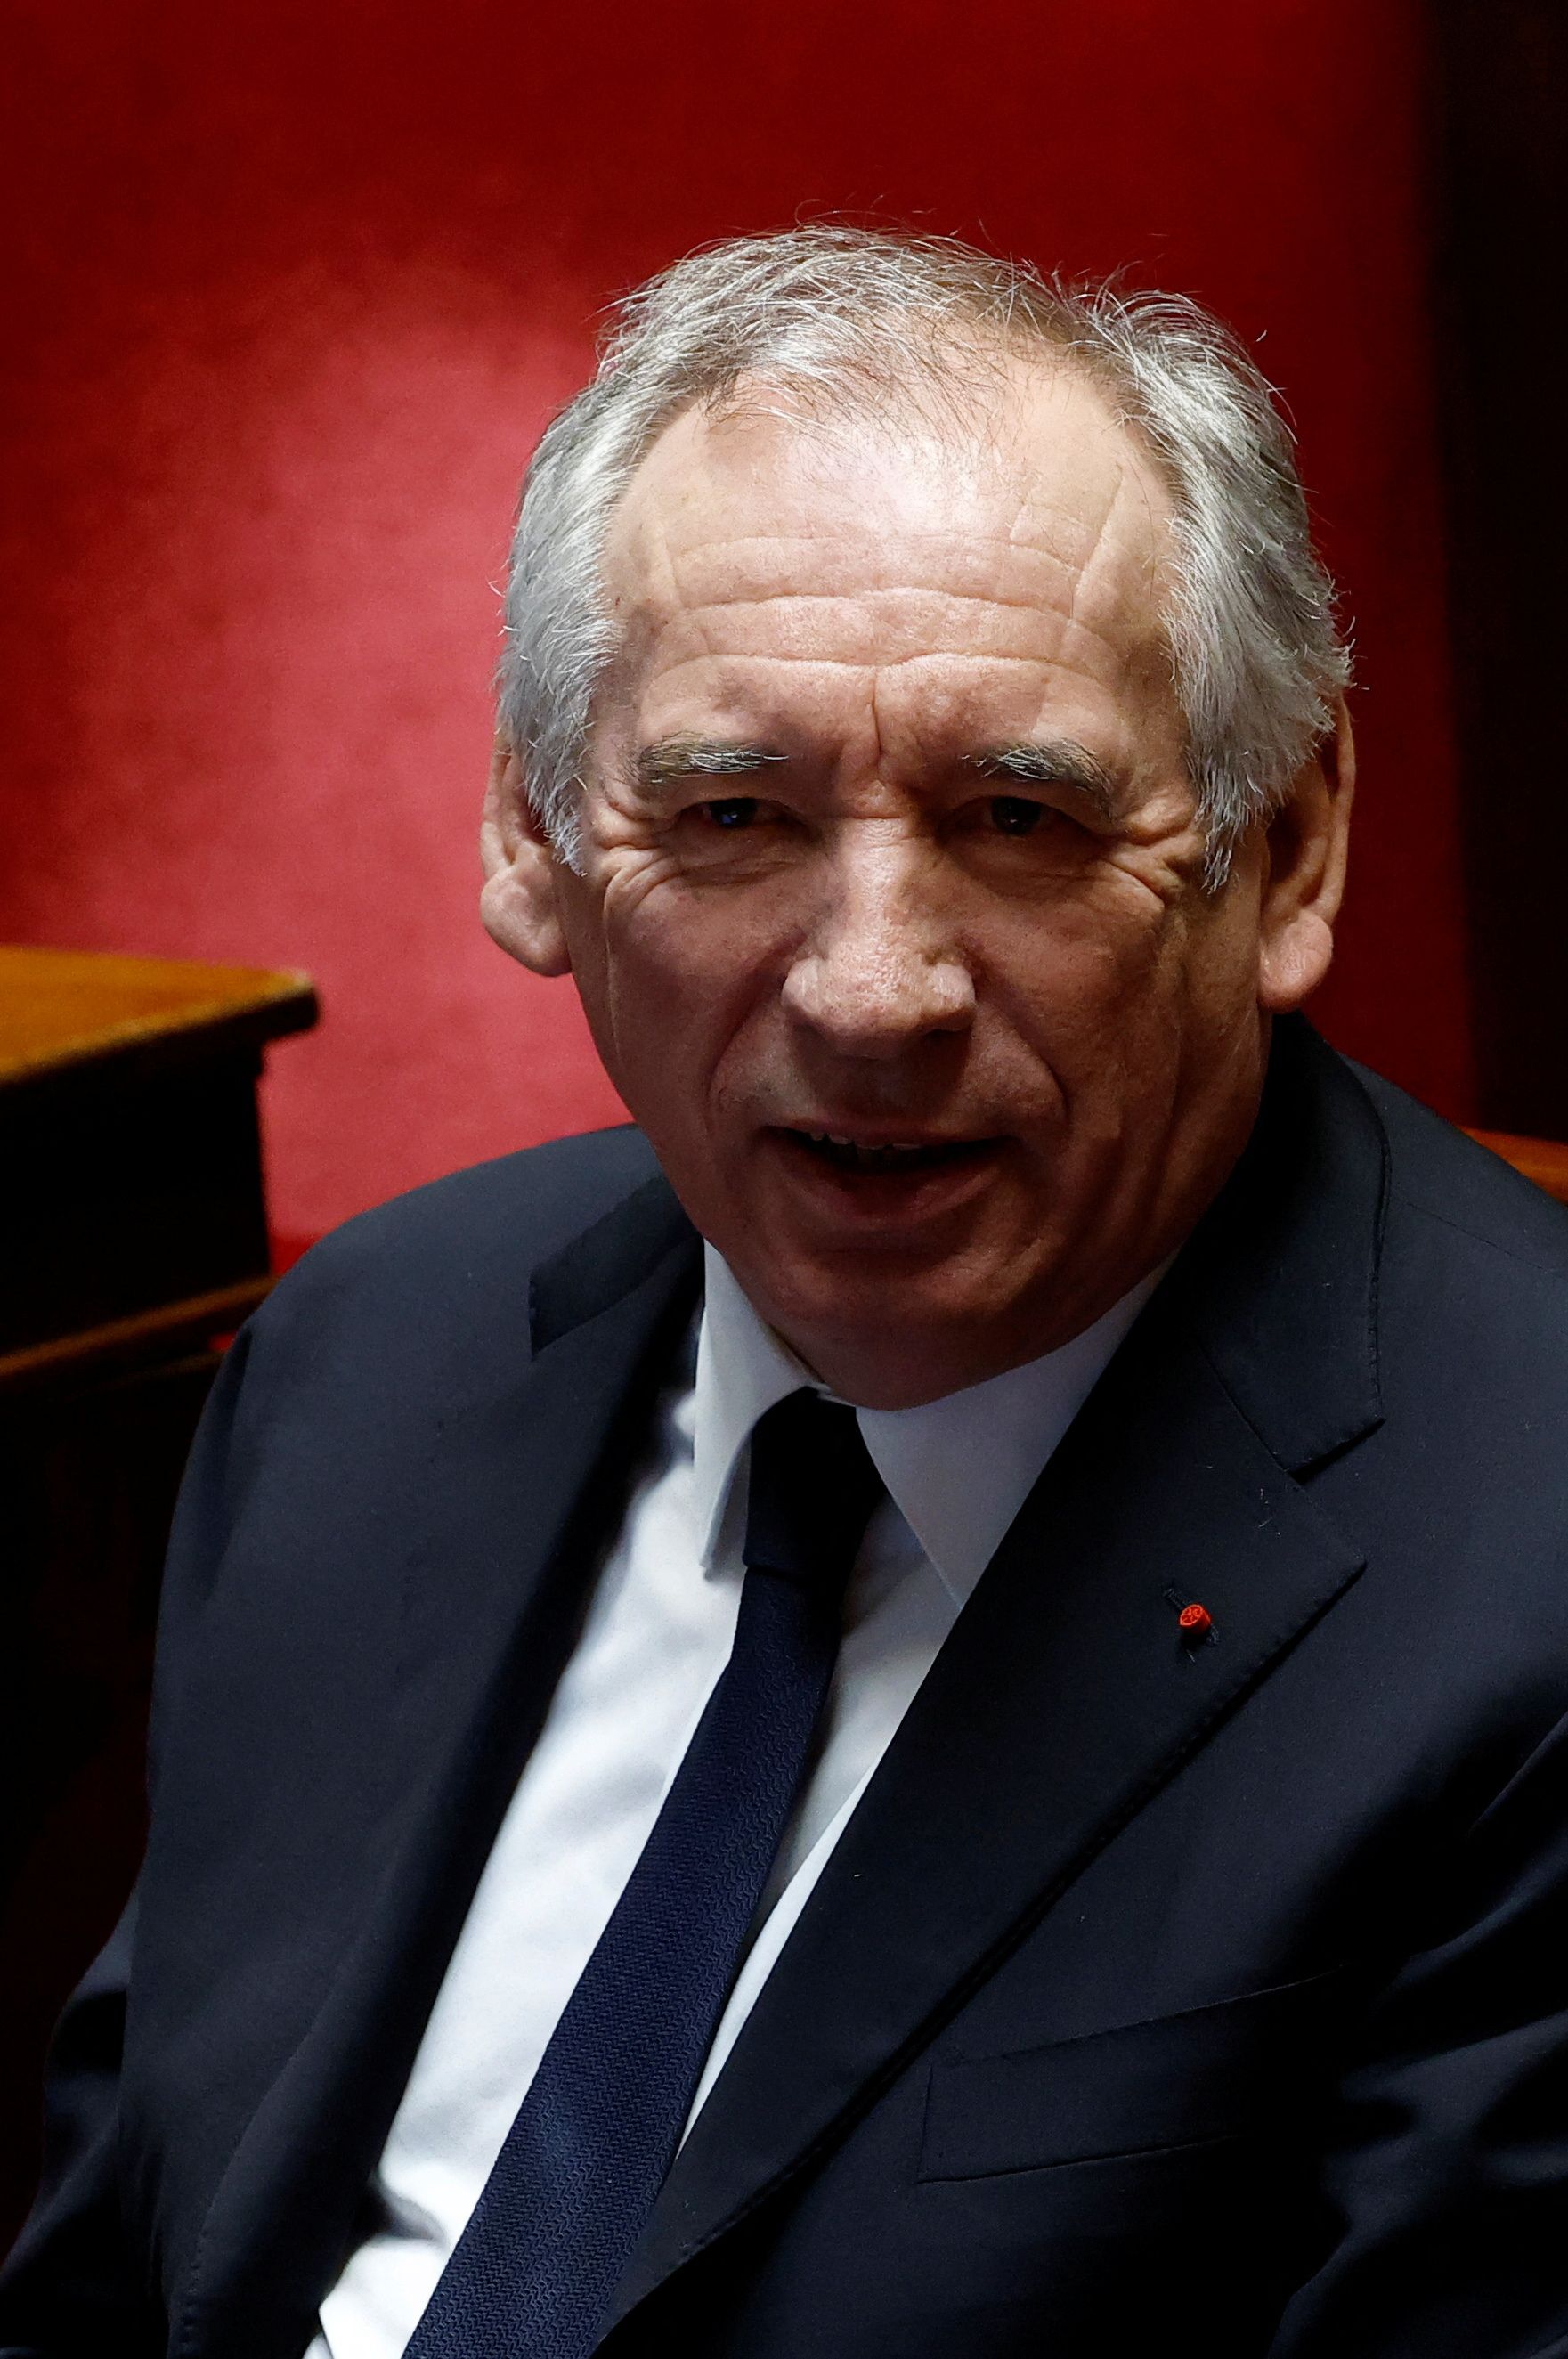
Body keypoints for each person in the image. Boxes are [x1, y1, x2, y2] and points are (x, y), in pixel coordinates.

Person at [4, 225, 1567, 2359]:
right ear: (532, 838)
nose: (868, 990)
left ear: (1282, 851)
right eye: (730, 813)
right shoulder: (368, 1358)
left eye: (1017, 816)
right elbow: (109, 2276)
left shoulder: (1525, 1572)